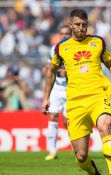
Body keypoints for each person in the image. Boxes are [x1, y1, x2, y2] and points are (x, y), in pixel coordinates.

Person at [41, 8, 111, 175]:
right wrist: (46, 98)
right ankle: (94, 173)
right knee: (81, 156)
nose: (81, 28)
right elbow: (51, 72)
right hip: (76, 102)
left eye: (84, 25)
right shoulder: (61, 48)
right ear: (70, 24)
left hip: (98, 95)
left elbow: (109, 61)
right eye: (77, 24)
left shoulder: (98, 42)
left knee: (105, 125)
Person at [43, 25, 71, 161]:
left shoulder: (75, 48)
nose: (64, 36)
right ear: (58, 35)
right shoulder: (54, 49)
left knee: (68, 122)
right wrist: (46, 69)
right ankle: (52, 151)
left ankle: (78, 149)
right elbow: (50, 67)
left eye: (67, 34)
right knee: (53, 116)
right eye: (62, 34)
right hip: (57, 88)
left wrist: (68, 72)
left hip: (72, 89)